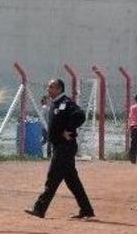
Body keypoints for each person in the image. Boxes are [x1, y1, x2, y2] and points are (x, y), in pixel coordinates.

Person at [25, 79, 95, 220]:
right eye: (48, 86)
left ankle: (39, 209)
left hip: (65, 147)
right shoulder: (56, 103)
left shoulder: (65, 103)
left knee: (53, 177)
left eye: (51, 87)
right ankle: (86, 210)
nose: (48, 89)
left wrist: (68, 129)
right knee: (72, 181)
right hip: (60, 147)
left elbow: (80, 115)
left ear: (59, 89)